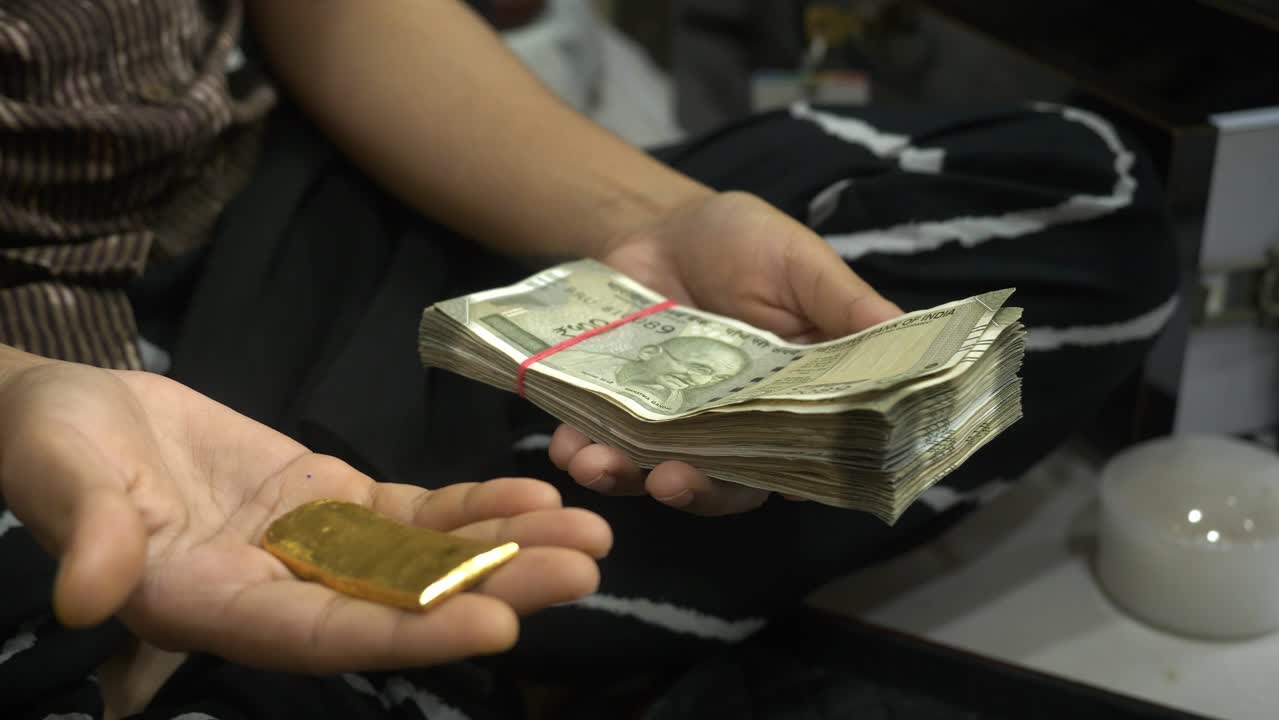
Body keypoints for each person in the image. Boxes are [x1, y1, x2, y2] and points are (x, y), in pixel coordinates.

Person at [0, 1, 1178, 718]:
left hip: (318, 202)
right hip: (54, 365)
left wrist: (644, 223)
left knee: (1092, 199)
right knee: (56, 601)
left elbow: (337, 9)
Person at [550, 336, 749, 410]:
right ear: (649, 353)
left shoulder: (674, 404)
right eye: (699, 368)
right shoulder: (571, 360)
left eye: (718, 378)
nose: (701, 381)